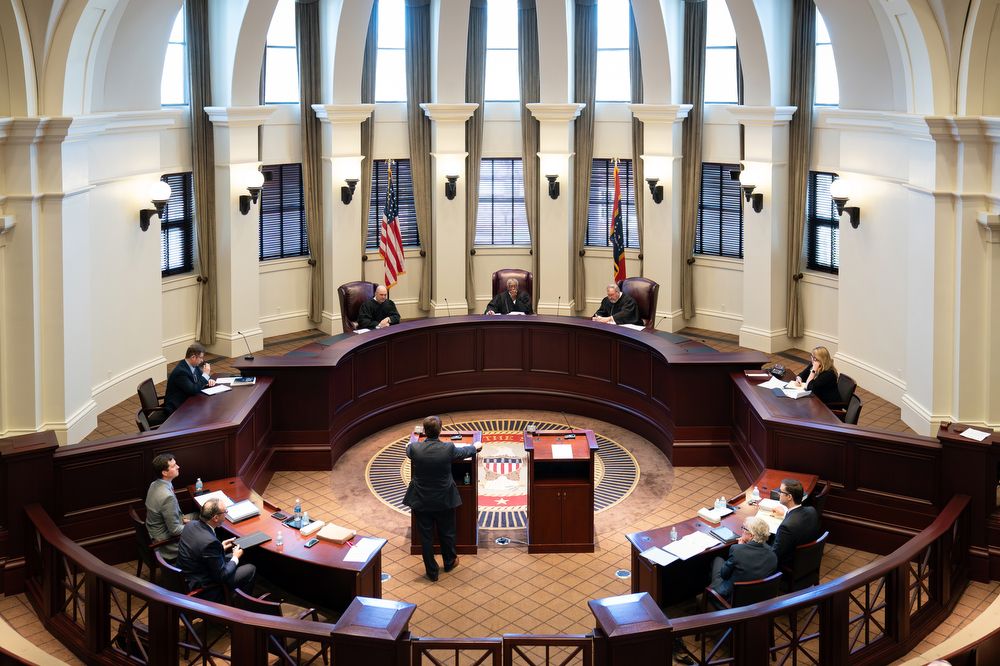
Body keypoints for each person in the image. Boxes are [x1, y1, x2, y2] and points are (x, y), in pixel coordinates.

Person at [403, 415, 483, 581]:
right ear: (440, 431)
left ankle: (431, 572)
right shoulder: (448, 448)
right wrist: (475, 447)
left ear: (424, 431)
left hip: (421, 499)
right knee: (447, 532)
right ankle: (449, 562)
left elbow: (407, 448)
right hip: (444, 499)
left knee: (426, 537)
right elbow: (465, 452)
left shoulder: (415, 449)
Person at [177, 498, 256, 603]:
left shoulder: (190, 525)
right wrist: (235, 557)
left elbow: (200, 551)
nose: (226, 514)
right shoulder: (210, 543)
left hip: (190, 575)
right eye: (225, 512)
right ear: (215, 518)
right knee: (250, 568)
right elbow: (221, 576)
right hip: (205, 587)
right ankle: (240, 606)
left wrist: (221, 547)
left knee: (234, 559)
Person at [709, 516, 778, 605]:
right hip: (757, 596)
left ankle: (709, 593)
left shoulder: (737, 550)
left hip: (732, 598)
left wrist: (740, 547)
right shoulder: (772, 554)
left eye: (744, 528)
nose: (742, 530)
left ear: (751, 535)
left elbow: (724, 574)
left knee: (717, 560)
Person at [144, 452, 191, 561]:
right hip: (166, 544)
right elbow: (174, 531)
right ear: (164, 472)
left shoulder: (155, 484)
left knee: (200, 516)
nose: (178, 467)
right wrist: (195, 526)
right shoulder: (167, 497)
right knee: (205, 525)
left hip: (156, 531)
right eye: (174, 466)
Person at [771, 478, 822, 571]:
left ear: (789, 497)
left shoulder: (786, 527)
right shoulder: (811, 511)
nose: (778, 493)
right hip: (807, 560)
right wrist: (785, 513)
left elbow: (775, 553)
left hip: (789, 565)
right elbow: (797, 520)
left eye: (780, 491)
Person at [163, 343, 215, 416]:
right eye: (201, 358)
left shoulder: (193, 366)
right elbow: (193, 390)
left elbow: (201, 378)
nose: (202, 360)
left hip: (188, 401)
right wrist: (206, 375)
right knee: (205, 414)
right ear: (193, 357)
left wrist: (209, 380)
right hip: (177, 408)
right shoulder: (181, 372)